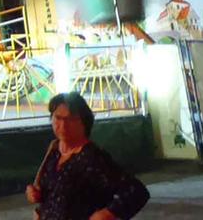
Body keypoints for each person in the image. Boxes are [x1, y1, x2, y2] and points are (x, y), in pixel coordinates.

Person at [26, 92, 150, 220]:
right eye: (58, 118)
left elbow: (136, 191)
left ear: (84, 122)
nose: (63, 125)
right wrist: (35, 194)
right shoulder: (54, 150)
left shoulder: (92, 158)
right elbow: (50, 192)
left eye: (71, 119)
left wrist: (106, 214)